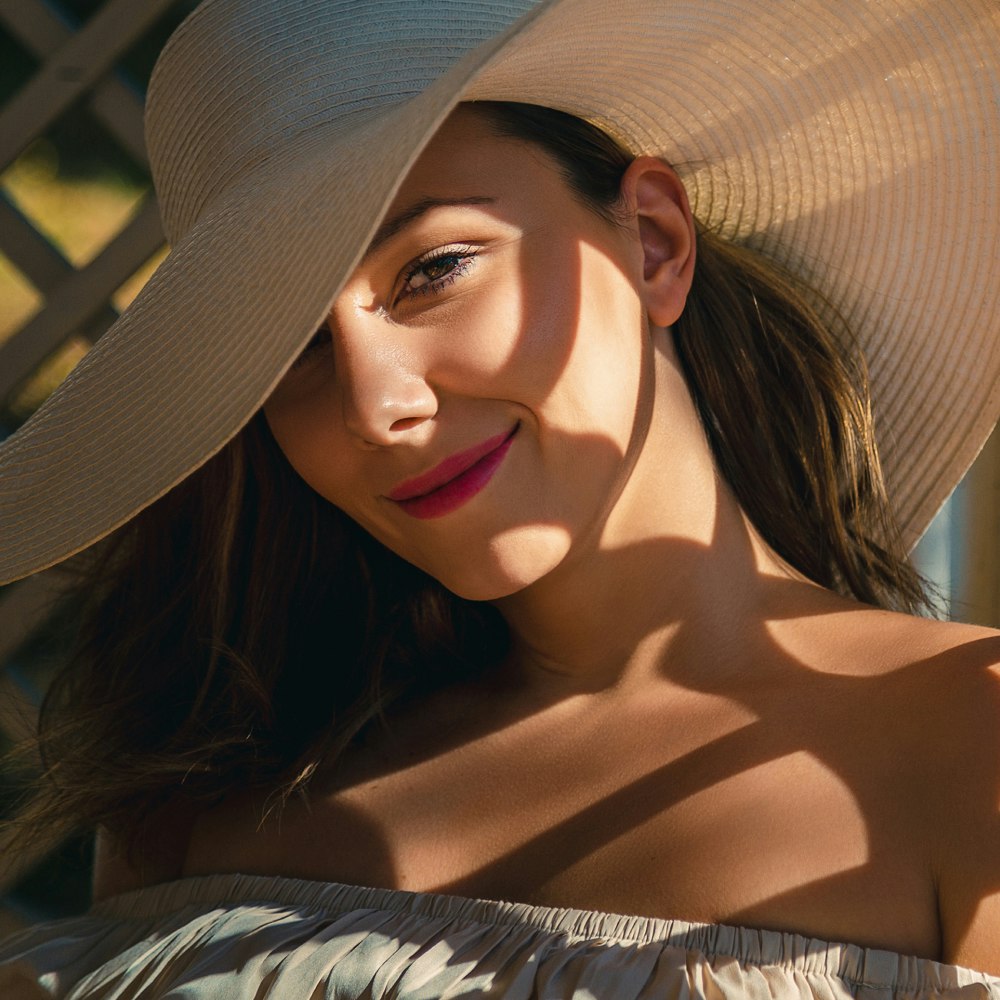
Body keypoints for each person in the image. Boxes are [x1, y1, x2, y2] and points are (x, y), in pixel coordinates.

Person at [1, 0, 999, 996]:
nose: (375, 404)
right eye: (291, 346)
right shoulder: (206, 779)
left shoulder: (966, 739)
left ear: (650, 242)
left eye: (431, 271)